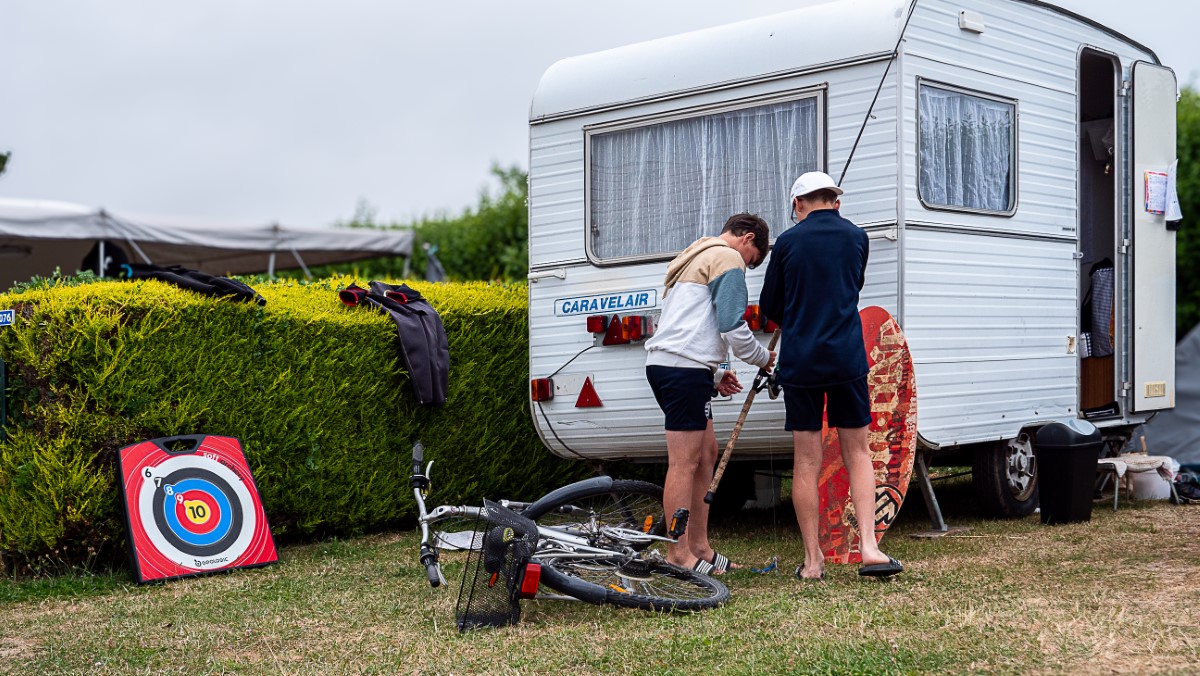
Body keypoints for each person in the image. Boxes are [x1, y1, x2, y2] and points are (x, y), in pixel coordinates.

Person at [759, 171, 903, 581]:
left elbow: (771, 304)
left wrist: (798, 316)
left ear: (798, 205)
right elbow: (852, 288)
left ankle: (813, 560)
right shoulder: (858, 238)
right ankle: (871, 550)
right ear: (835, 202)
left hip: (802, 360)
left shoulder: (787, 242)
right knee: (858, 452)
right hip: (846, 358)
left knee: (806, 461)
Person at [644, 213, 776, 575]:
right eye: (752, 261)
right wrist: (763, 358)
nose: (746, 267)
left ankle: (700, 546)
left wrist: (714, 374)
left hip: (682, 367)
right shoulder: (726, 257)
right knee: (684, 462)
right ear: (748, 239)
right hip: (681, 370)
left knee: (707, 453)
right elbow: (732, 324)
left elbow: (686, 325)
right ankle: (678, 552)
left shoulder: (695, 254)